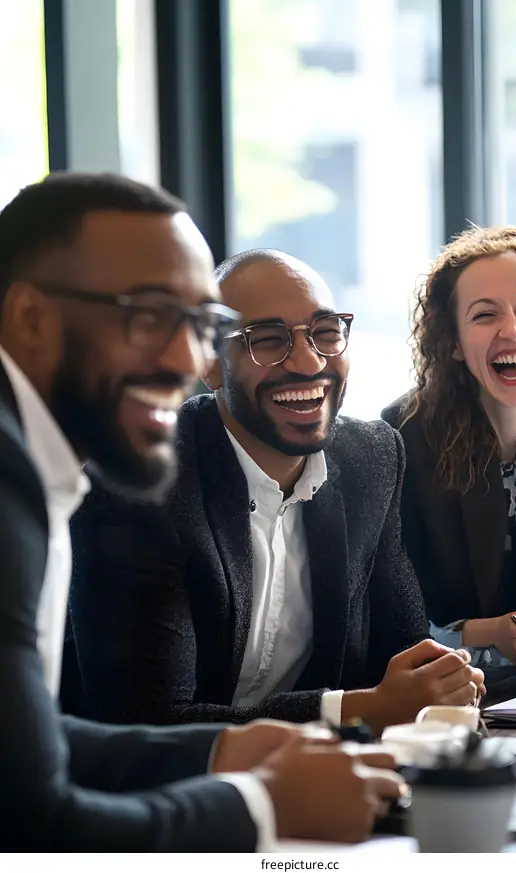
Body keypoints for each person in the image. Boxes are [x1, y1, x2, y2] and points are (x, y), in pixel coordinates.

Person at [0, 173, 403, 850]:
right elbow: (35, 820)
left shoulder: (44, 471)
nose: (190, 360)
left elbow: (31, 750)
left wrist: (222, 750)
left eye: (201, 326)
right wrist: (263, 806)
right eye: (151, 317)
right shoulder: (13, 481)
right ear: (33, 320)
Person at [64, 248, 484, 737]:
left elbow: (405, 653)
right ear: (209, 364)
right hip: (154, 798)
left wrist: (446, 682)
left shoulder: (371, 456)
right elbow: (150, 725)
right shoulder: (136, 486)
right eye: (267, 340)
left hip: (324, 775)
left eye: (326, 332)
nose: (308, 362)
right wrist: (352, 710)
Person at [382, 225, 516, 689]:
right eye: (485, 315)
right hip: (440, 701)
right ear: (454, 343)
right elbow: (383, 620)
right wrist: (489, 636)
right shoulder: (400, 439)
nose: (513, 330)